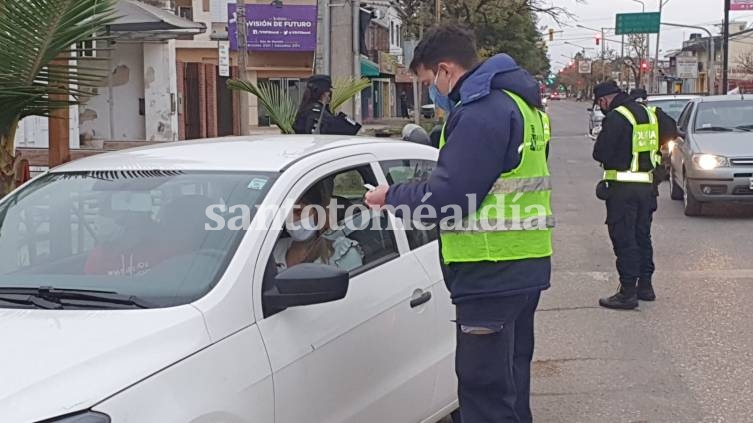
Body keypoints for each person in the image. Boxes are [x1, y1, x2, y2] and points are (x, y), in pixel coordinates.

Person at [365, 24, 553, 423]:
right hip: (525, 265)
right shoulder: (524, 107)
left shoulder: (481, 111)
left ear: (446, 70)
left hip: (489, 272)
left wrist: (392, 197)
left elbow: (450, 198)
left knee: (484, 392)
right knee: (510, 385)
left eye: (430, 81)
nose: (432, 92)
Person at [592, 81, 677, 310]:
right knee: (642, 236)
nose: (601, 107)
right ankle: (646, 287)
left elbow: (600, 152)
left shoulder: (616, 117)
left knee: (624, 238)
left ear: (605, 100)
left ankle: (627, 292)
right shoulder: (651, 113)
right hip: (647, 188)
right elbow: (672, 130)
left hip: (622, 190)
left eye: (600, 103)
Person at [273, 179, 363, 272]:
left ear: (319, 211)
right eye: (286, 214)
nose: (292, 219)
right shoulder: (274, 248)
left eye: (299, 212)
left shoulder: (343, 252)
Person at [293, 74, 362, 135]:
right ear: (324, 93)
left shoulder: (306, 109)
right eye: (329, 91)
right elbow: (344, 129)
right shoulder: (316, 112)